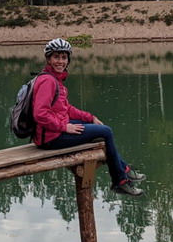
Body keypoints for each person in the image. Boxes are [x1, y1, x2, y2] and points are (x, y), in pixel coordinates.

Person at [32, 38, 146, 196]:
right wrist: (64, 127)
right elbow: (40, 113)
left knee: (100, 130)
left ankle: (124, 169)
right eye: (56, 57)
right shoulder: (48, 81)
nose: (60, 61)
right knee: (106, 132)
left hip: (53, 132)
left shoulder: (55, 80)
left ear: (68, 60)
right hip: (51, 139)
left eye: (64, 57)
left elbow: (67, 109)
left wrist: (90, 118)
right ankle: (120, 181)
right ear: (48, 59)